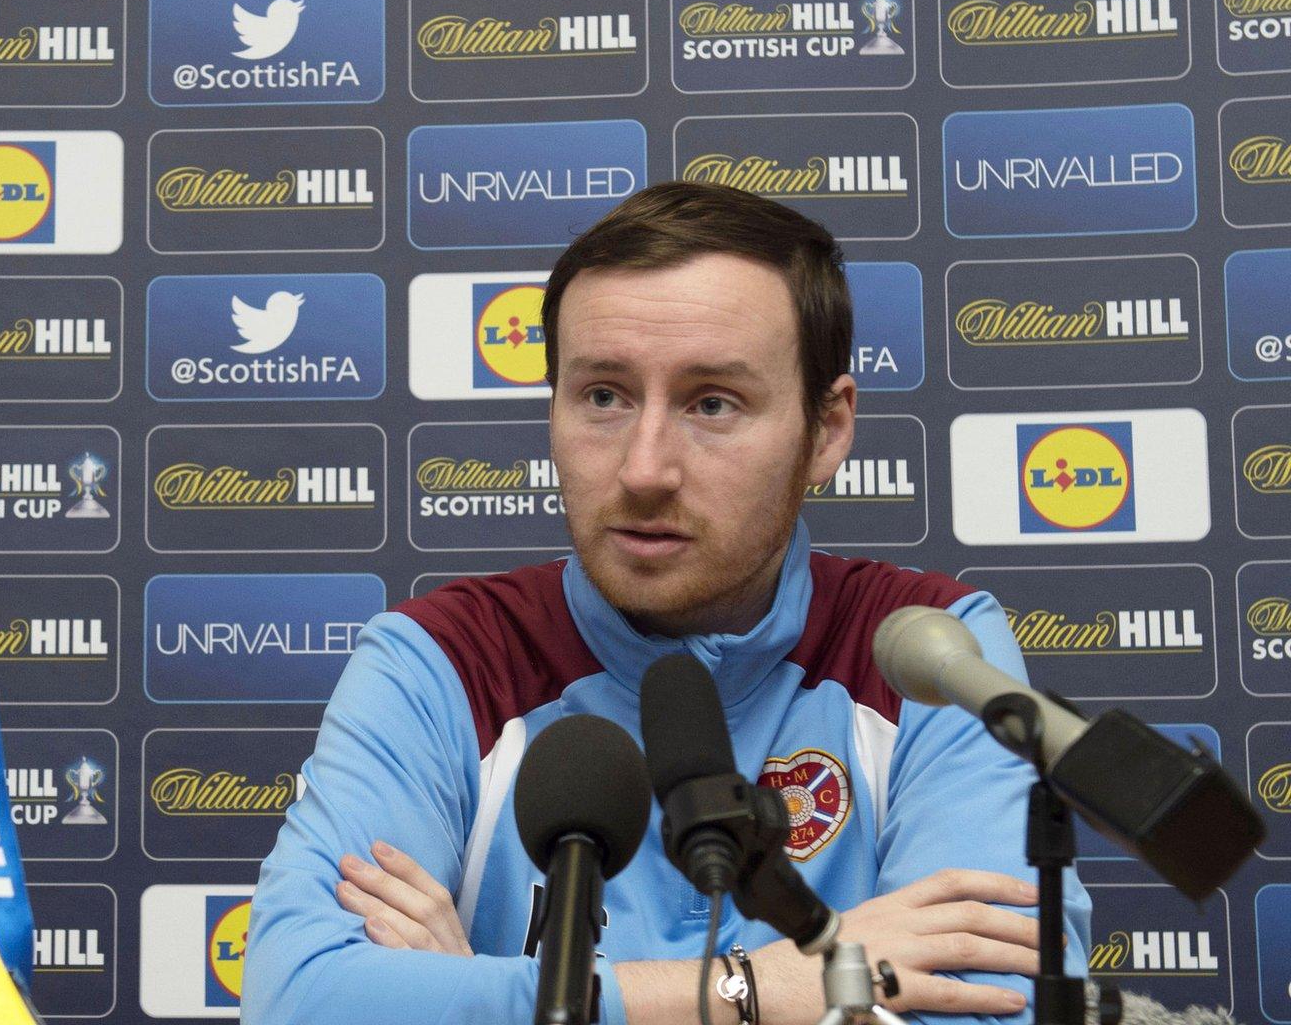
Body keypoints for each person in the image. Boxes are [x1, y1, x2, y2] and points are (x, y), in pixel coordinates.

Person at [241, 182, 1091, 1025]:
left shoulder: (923, 653)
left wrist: (490, 999)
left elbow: (993, 1013)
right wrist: (761, 990)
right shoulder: (441, 660)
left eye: (712, 403)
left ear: (826, 430)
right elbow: (301, 1003)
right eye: (604, 396)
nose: (645, 469)